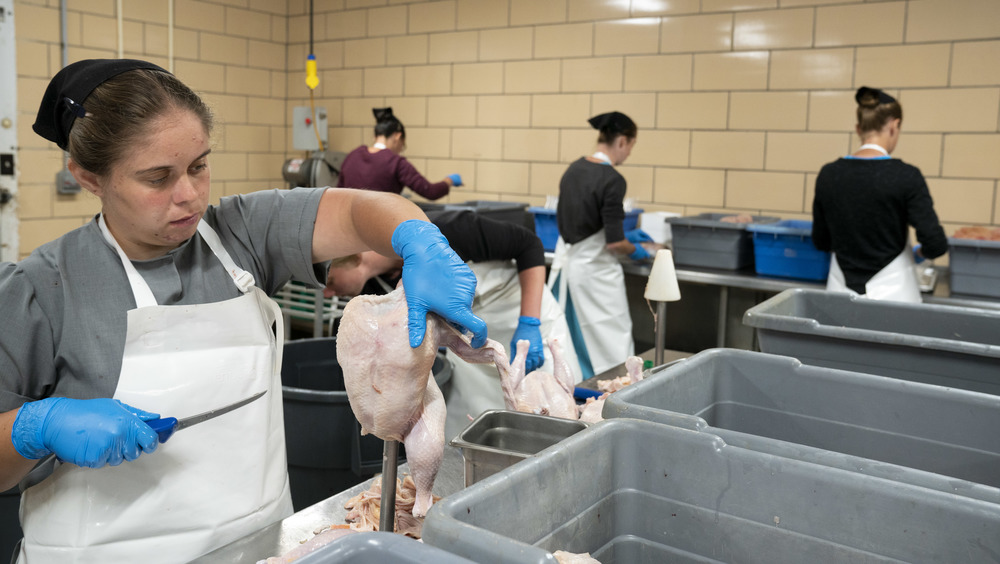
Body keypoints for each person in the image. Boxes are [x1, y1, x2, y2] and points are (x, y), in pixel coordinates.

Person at [0, 59, 487, 563]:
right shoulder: (41, 289)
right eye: (157, 177)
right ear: (89, 178)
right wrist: (35, 427)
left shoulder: (240, 234)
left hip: (258, 550)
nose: (188, 195)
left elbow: (361, 209)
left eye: (199, 165)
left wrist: (417, 238)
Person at [326, 209, 582, 439]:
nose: (328, 294)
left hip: (525, 316)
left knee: (550, 417)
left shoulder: (450, 230)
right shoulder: (374, 288)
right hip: (470, 342)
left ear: (353, 258)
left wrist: (529, 321)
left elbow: (530, 246)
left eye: (330, 283)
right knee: (474, 427)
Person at [812, 86, 947, 303]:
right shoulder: (906, 176)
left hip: (839, 293)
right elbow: (935, 243)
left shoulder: (829, 175)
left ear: (858, 129)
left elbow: (821, 241)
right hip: (894, 298)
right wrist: (919, 253)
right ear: (895, 125)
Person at [547, 111, 646, 381]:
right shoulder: (612, 179)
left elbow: (582, 220)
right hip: (595, 278)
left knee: (570, 344)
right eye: (631, 147)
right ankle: (613, 398)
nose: (628, 154)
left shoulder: (574, 169)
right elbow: (615, 242)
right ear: (622, 141)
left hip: (566, 273)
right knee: (611, 343)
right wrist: (637, 250)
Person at [336, 107, 462, 200]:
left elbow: (338, 193)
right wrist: (449, 180)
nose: (400, 149)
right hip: (378, 227)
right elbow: (429, 191)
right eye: (403, 144)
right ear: (397, 136)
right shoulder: (395, 162)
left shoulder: (352, 156)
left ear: (375, 136)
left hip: (349, 227)